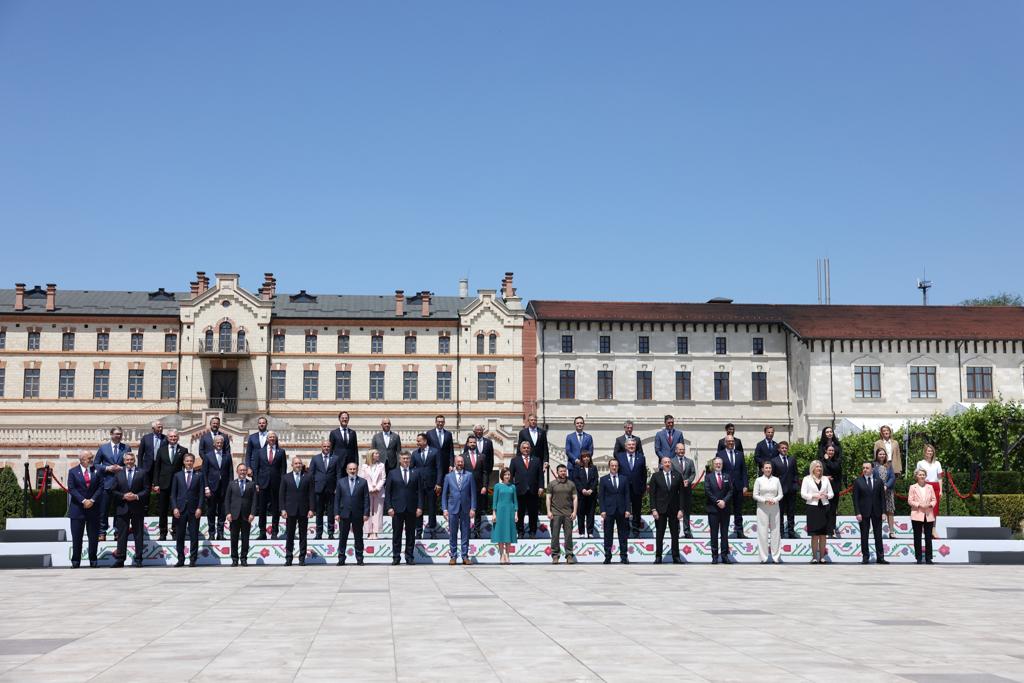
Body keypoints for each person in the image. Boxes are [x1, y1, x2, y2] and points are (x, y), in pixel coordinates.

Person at [111, 452, 148, 568]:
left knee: (138, 534)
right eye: (127, 460)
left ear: (134, 460)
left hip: (137, 507)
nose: (129, 462)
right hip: (122, 508)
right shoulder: (118, 474)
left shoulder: (142, 473)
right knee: (122, 535)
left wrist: (136, 496)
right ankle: (120, 559)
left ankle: (138, 559)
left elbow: (146, 489)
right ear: (124, 461)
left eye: (131, 459)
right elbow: (113, 490)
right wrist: (123, 496)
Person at [385, 452, 423, 565]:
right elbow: (388, 492)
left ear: (410, 460)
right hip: (397, 509)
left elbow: (420, 492)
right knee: (397, 534)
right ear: (400, 460)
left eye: (407, 458)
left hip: (412, 508)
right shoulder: (392, 473)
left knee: (410, 534)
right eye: (403, 458)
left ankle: (409, 557)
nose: (406, 460)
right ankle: (396, 557)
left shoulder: (416, 473)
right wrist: (389, 507)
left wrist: (420, 507)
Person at [95, 426, 131, 541]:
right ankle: (102, 532)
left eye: (120, 434)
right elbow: (96, 464)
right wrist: (107, 468)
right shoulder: (103, 448)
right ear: (111, 434)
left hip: (121, 484)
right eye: (116, 434)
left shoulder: (126, 447)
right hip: (106, 483)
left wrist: (121, 468)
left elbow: (130, 463)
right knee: (103, 510)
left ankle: (117, 531)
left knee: (119, 510)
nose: (119, 436)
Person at [68, 450, 103, 568]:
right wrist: (83, 501)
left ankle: (93, 559)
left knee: (93, 537)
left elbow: (100, 487)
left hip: (93, 509)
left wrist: (92, 500)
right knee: (77, 537)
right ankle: (76, 560)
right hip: (78, 509)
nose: (92, 460)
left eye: (92, 457)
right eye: (89, 458)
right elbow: (72, 489)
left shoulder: (97, 471)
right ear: (82, 460)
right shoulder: (72, 472)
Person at [151, 429, 187, 541]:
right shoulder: (161, 450)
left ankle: (175, 530)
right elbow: (156, 468)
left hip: (178, 485)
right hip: (163, 484)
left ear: (178, 437)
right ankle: (163, 532)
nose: (173, 438)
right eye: (171, 437)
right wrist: (156, 483)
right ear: (167, 438)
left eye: (175, 437)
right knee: (163, 510)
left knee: (176, 509)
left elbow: (185, 467)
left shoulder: (183, 450)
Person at [171, 453, 206, 567]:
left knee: (194, 536)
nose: (189, 463)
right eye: (187, 461)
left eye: (191, 461)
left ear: (193, 462)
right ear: (183, 462)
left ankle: (193, 559)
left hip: (194, 510)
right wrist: (175, 508)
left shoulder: (199, 475)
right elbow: (173, 494)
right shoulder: (177, 475)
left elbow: (201, 494)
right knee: (180, 536)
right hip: (180, 510)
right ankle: (180, 559)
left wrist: (200, 508)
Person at [280, 456, 315, 566]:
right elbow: (281, 495)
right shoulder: (286, 477)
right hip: (290, 510)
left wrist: (311, 509)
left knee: (303, 535)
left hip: (304, 510)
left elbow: (311, 494)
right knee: (290, 535)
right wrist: (282, 509)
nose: (298, 465)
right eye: (296, 463)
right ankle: (289, 558)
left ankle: (302, 558)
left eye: (300, 463)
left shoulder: (308, 477)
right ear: (292, 465)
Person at [442, 455, 477, 565]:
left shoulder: (469, 475)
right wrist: (444, 509)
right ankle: (453, 556)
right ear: (455, 463)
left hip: (466, 509)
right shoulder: (448, 477)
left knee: (465, 533)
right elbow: (444, 494)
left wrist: (473, 508)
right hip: (452, 508)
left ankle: (465, 556)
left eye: (461, 462)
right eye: (458, 462)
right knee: (453, 533)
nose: (460, 463)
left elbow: (473, 494)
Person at [648, 456, 684, 564]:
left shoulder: (677, 476)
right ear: (661, 464)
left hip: (674, 510)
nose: (667, 464)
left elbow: (681, 494)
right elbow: (652, 495)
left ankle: (676, 556)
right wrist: (653, 509)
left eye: (669, 462)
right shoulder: (655, 476)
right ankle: (658, 556)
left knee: (675, 534)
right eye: (665, 462)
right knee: (660, 534)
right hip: (660, 510)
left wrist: (681, 509)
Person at [252, 431, 286, 540]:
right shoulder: (259, 452)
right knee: (262, 509)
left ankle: (275, 532)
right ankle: (262, 532)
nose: (271, 438)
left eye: (273, 437)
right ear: (267, 439)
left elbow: (283, 470)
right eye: (270, 437)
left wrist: (283, 484)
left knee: (275, 509)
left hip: (276, 484)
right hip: (262, 484)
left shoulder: (281, 452)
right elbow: (256, 469)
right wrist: (256, 483)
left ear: (276, 439)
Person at [335, 461, 370, 566]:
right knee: (343, 537)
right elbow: (337, 499)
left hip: (358, 514)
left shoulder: (363, 482)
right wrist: (336, 513)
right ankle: (341, 558)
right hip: (344, 513)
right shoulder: (341, 482)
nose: (352, 471)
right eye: (350, 469)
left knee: (358, 537)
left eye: (354, 469)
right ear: (346, 470)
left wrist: (366, 513)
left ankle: (359, 558)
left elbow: (366, 498)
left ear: (357, 469)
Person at [852, 462, 887, 564]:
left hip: (877, 512)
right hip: (863, 513)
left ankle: (880, 557)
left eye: (867, 468)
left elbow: (882, 499)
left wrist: (884, 512)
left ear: (872, 469)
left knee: (878, 535)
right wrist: (857, 512)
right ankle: (865, 557)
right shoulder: (858, 481)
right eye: (863, 468)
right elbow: (855, 499)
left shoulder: (879, 481)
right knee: (864, 535)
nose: (865, 469)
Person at [509, 440, 544, 538]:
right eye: (524, 448)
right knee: (520, 513)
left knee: (533, 513)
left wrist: (541, 487)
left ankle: (532, 532)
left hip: (533, 490)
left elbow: (540, 475)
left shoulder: (536, 460)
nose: (526, 449)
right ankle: (520, 532)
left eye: (528, 448)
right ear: (520, 449)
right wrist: (511, 488)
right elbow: (510, 475)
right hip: (519, 490)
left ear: (530, 449)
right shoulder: (515, 460)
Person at [599, 458, 631, 564]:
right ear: (609, 466)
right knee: (608, 535)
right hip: (609, 511)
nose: (614, 467)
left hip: (622, 510)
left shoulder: (624, 479)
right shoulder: (603, 479)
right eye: (612, 465)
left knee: (623, 535)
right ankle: (608, 556)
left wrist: (628, 509)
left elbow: (627, 495)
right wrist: (602, 510)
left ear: (618, 467)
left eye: (616, 465)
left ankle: (624, 556)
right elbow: (601, 496)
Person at [201, 434, 233, 541]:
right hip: (211, 487)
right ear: (214, 444)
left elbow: (230, 472)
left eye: (221, 443)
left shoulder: (227, 456)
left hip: (224, 488)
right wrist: (206, 487)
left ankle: (220, 533)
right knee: (211, 510)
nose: (219, 444)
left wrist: (230, 487)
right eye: (217, 443)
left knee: (222, 511)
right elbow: (204, 473)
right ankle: (211, 533)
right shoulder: (208, 456)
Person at [801, 460, 833, 564]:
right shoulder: (807, 479)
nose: (819, 468)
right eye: (817, 466)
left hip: (824, 507)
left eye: (820, 467)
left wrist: (826, 495)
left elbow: (831, 493)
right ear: (812, 468)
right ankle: (814, 557)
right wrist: (813, 496)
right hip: (813, 508)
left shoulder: (825, 479)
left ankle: (822, 557)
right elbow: (803, 494)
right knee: (814, 535)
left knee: (823, 534)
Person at [224, 463, 255, 566]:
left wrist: (252, 513)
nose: (242, 472)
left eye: (244, 470)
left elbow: (255, 501)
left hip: (246, 516)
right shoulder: (231, 484)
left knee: (245, 539)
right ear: (237, 472)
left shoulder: (251, 484)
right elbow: (227, 500)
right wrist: (228, 513)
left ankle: (244, 558)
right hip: (234, 516)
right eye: (240, 470)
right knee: (234, 539)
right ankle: (234, 559)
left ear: (247, 472)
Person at [716, 435, 747, 538]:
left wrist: (745, 485)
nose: (731, 442)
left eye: (732, 441)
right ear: (725, 443)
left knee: (738, 510)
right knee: (725, 511)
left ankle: (739, 531)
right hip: (725, 488)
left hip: (738, 487)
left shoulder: (740, 454)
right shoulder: (720, 454)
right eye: (728, 441)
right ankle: (724, 532)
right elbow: (718, 470)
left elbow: (744, 471)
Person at [616, 438, 648, 535]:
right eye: (629, 445)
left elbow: (644, 474)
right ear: (625, 446)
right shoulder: (619, 456)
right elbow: (616, 472)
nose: (631, 446)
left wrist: (643, 488)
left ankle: (635, 530)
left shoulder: (641, 457)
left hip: (637, 488)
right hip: (623, 488)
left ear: (636, 446)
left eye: (633, 445)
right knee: (623, 509)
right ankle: (624, 530)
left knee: (636, 510)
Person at [752, 461, 782, 563]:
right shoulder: (758, 480)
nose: (768, 469)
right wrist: (765, 500)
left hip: (775, 507)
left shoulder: (776, 480)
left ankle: (776, 557)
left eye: (769, 468)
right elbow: (755, 495)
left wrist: (774, 500)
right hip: (762, 508)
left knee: (775, 532)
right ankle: (763, 557)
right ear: (762, 469)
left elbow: (780, 494)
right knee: (762, 532)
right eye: (766, 468)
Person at [309, 439, 340, 539]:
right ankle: (319, 533)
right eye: (324, 446)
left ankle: (331, 533)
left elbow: (338, 474)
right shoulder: (315, 458)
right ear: (321, 447)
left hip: (331, 489)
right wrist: (311, 488)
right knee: (319, 512)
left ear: (330, 447)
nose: (326, 448)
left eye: (328, 447)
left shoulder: (335, 458)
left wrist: (337, 487)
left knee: (331, 512)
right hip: (318, 489)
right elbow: (311, 474)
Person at [547, 464, 578, 564]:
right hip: (555, 514)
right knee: (555, 535)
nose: (563, 473)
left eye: (564, 471)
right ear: (557, 472)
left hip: (568, 514)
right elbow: (548, 498)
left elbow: (575, 498)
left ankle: (569, 555)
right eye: (561, 471)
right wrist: (548, 511)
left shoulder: (571, 484)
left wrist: (574, 512)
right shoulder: (552, 484)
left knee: (568, 535)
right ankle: (555, 555)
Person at [410, 433, 439, 538]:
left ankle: (432, 530)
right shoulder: (414, 454)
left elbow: (439, 468)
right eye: (417, 441)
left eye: (419, 441)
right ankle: (418, 531)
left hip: (432, 485)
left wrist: (438, 483)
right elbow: (411, 469)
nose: (417, 443)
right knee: (419, 508)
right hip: (418, 486)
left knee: (432, 508)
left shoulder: (435, 452)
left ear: (425, 441)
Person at [705, 457, 733, 564]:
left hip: (725, 509)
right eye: (716, 463)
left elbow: (730, 491)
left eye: (720, 463)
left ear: (722, 465)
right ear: (713, 465)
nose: (718, 465)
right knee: (714, 534)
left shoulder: (727, 476)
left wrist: (724, 501)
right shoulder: (708, 477)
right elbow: (707, 491)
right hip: (713, 509)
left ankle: (725, 555)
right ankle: (715, 556)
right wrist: (717, 501)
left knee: (724, 533)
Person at [769, 441, 800, 539]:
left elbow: (796, 473)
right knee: (780, 513)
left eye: (786, 448)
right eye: (782, 448)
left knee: (791, 512)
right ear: (779, 449)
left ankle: (791, 531)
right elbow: (772, 476)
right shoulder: (774, 460)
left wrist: (795, 485)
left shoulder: (792, 459)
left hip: (791, 490)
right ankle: (781, 532)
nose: (784, 449)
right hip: (780, 491)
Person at [464, 434, 492, 538]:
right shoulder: (463, 457)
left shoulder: (482, 456)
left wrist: (485, 486)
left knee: (478, 510)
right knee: (466, 510)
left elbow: (485, 472)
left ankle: (476, 531)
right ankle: (466, 531)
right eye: (470, 442)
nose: (472, 444)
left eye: (474, 442)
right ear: (467, 444)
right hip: (466, 488)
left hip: (479, 487)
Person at [907, 468, 937, 564]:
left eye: (923, 474)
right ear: (916, 476)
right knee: (917, 537)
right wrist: (919, 505)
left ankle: (929, 558)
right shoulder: (913, 487)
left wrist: (930, 505)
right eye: (920, 474)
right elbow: (910, 500)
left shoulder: (930, 487)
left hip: (928, 514)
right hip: (917, 514)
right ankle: (919, 558)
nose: (922, 476)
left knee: (928, 537)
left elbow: (934, 499)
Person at [491, 468, 518, 564]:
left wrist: (516, 513)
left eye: (509, 474)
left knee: (508, 533)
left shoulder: (513, 487)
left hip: (510, 511)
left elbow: (515, 501)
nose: (507, 476)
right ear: (502, 475)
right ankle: (501, 555)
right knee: (500, 533)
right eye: (506, 474)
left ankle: (508, 554)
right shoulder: (497, 486)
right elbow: (495, 500)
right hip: (500, 511)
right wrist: (494, 513)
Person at [670, 443, 696, 538]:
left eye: (683, 449)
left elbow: (693, 474)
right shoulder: (671, 461)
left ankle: (687, 531)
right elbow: (671, 474)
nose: (681, 451)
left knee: (686, 511)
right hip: (675, 492)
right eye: (679, 449)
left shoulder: (690, 461)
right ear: (676, 450)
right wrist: (678, 482)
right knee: (676, 511)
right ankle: (676, 531)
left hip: (687, 490)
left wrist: (688, 481)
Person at [917, 444, 943, 539]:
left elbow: (940, 477)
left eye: (931, 451)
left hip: (935, 486)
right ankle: (924, 527)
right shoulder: (920, 463)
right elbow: (917, 475)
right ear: (925, 452)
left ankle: (933, 529)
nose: (930, 452)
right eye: (928, 451)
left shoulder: (937, 463)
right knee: (925, 508)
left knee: (934, 509)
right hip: (925, 486)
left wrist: (941, 490)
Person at [359, 449, 386, 540]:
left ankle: (376, 532)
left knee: (378, 512)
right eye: (376, 453)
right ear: (371, 455)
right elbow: (362, 479)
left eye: (378, 453)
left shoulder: (381, 465)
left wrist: (377, 488)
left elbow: (383, 478)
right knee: (368, 511)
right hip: (367, 491)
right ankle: (369, 532)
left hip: (379, 491)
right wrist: (370, 488)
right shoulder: (364, 466)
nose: (378, 455)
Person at [572, 451, 598, 538]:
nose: (586, 458)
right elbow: (576, 480)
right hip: (581, 495)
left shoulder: (593, 468)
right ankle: (581, 532)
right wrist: (582, 489)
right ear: (581, 458)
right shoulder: (577, 468)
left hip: (591, 495)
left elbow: (595, 480)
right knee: (581, 514)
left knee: (591, 514)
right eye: (584, 457)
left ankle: (590, 532)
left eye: (588, 457)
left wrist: (591, 490)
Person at [873, 447, 897, 539]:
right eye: (880, 454)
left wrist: (886, 485)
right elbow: (872, 476)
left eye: (883, 454)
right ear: (877, 455)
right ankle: (877, 531)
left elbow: (892, 477)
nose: (882, 455)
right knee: (877, 512)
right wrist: (878, 487)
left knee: (890, 511)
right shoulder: (874, 465)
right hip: (876, 492)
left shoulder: (889, 465)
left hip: (888, 491)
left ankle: (891, 532)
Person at [821, 443, 843, 539]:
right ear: (826, 451)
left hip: (834, 489)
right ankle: (824, 529)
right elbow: (815, 473)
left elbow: (835, 468)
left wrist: (827, 460)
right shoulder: (820, 462)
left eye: (832, 450)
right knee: (824, 510)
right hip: (823, 490)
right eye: (829, 450)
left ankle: (832, 530)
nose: (831, 452)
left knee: (833, 510)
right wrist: (825, 477)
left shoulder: (837, 461)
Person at [426, 414, 455, 484]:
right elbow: (427, 448)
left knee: (445, 483)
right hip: (433, 463)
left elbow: (451, 450)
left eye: (442, 422)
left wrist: (451, 464)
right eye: (439, 421)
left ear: (444, 423)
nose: (440, 423)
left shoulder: (448, 434)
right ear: (435, 422)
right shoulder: (429, 433)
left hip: (445, 463)